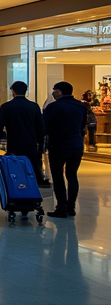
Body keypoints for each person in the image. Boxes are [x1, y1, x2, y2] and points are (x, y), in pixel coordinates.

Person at [0, 81, 49, 187]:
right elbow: (40, 127)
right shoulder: (34, 106)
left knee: (15, 164)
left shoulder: (6, 106)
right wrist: (41, 143)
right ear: (25, 91)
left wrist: (2, 136)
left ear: (13, 91)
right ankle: (33, 186)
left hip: (14, 143)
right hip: (31, 143)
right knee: (32, 164)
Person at [43, 81, 87, 218]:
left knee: (58, 176)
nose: (53, 92)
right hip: (76, 145)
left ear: (60, 91)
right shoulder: (81, 107)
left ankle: (61, 207)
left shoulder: (53, 107)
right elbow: (82, 126)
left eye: (54, 90)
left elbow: (43, 126)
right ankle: (71, 207)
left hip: (58, 146)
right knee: (72, 175)